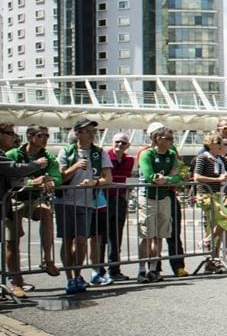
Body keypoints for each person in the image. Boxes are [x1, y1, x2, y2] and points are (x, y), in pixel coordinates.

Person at [56, 119, 113, 294]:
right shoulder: (66, 151)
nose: (91, 134)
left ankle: (78, 275)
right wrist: (75, 167)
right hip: (65, 201)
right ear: (78, 133)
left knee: (81, 240)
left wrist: (94, 182)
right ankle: (69, 278)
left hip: (87, 202)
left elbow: (108, 178)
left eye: (93, 131)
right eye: (87, 131)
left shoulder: (99, 153)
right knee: (67, 240)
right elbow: (59, 178)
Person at [0, 123, 54, 298]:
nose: (14, 137)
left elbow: (57, 176)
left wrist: (49, 180)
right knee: (11, 242)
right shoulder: (10, 154)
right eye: (9, 133)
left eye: (47, 136)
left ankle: (48, 260)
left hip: (31, 200)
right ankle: (16, 283)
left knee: (46, 212)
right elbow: (13, 170)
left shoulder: (48, 155)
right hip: (12, 202)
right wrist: (35, 173)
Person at [138, 127, 185, 283]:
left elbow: (179, 175)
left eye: (172, 138)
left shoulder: (171, 155)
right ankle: (142, 270)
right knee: (147, 235)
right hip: (148, 197)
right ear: (157, 138)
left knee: (159, 235)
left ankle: (153, 269)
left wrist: (167, 180)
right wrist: (164, 178)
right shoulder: (147, 154)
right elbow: (149, 175)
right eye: (168, 138)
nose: (172, 141)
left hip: (164, 197)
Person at [192, 131, 227, 273]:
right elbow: (197, 177)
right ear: (210, 144)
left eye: (222, 143)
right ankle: (208, 244)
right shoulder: (202, 158)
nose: (221, 146)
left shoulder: (222, 160)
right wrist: (217, 179)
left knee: (218, 224)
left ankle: (213, 259)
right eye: (218, 143)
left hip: (218, 195)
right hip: (205, 195)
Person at [94, 132, 135, 283]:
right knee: (101, 237)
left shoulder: (129, 160)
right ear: (112, 142)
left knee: (116, 236)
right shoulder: (104, 156)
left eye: (123, 143)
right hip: (104, 199)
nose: (120, 145)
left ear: (128, 146)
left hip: (119, 200)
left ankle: (115, 269)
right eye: (117, 142)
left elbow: (128, 178)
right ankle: (99, 271)